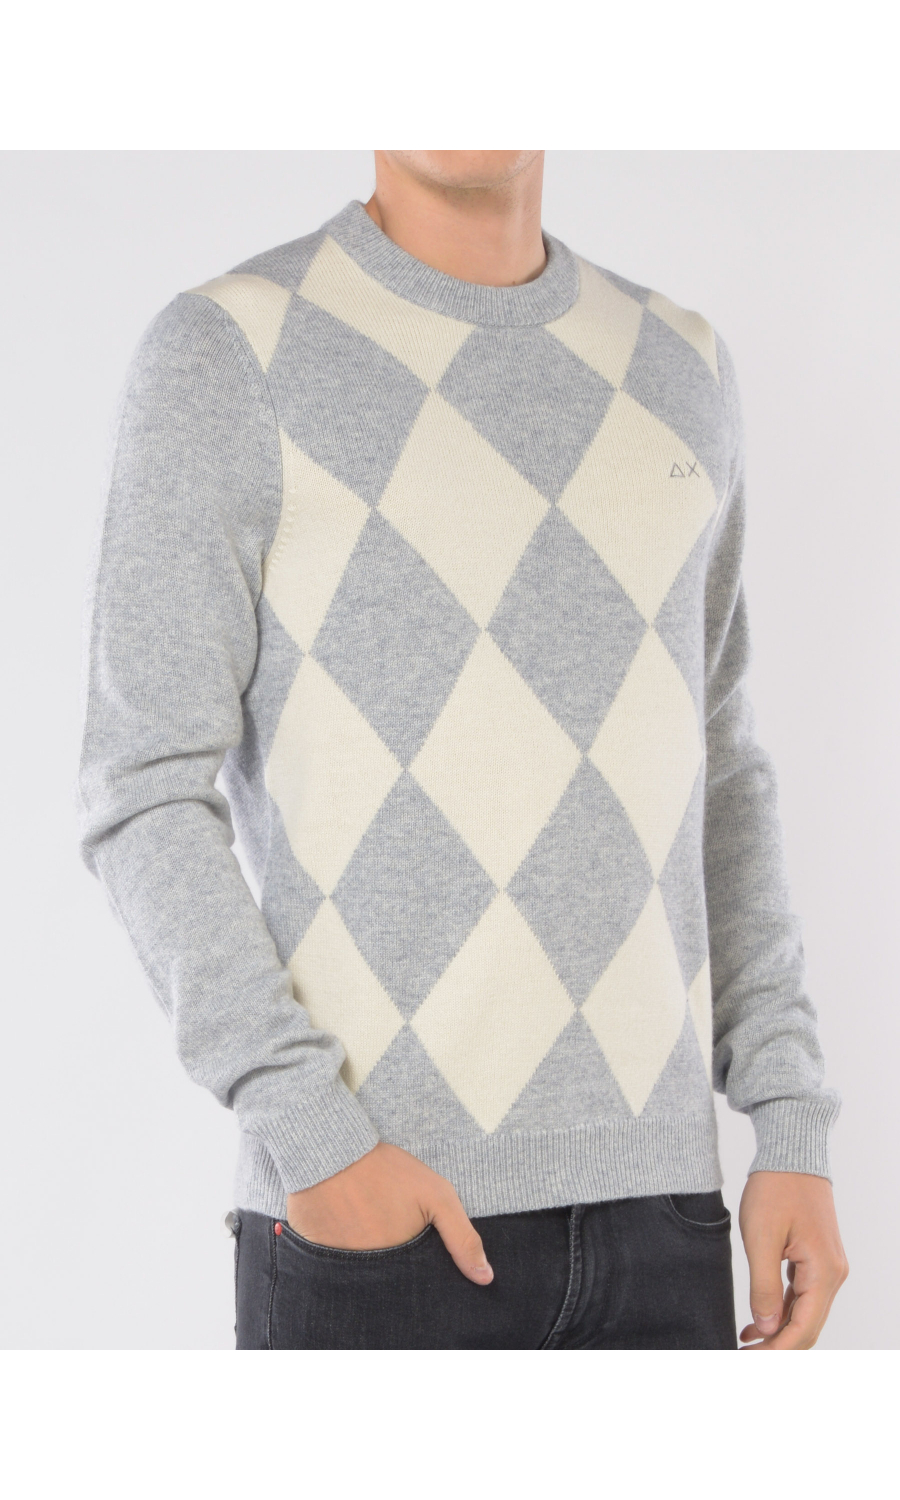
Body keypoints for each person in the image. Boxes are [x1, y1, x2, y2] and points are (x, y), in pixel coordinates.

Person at [78, 150, 848, 1350]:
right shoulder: (230, 351)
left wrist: (790, 1114)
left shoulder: (681, 363)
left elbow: (721, 764)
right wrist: (313, 1136)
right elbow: (141, 787)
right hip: (371, 1221)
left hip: (666, 1219)